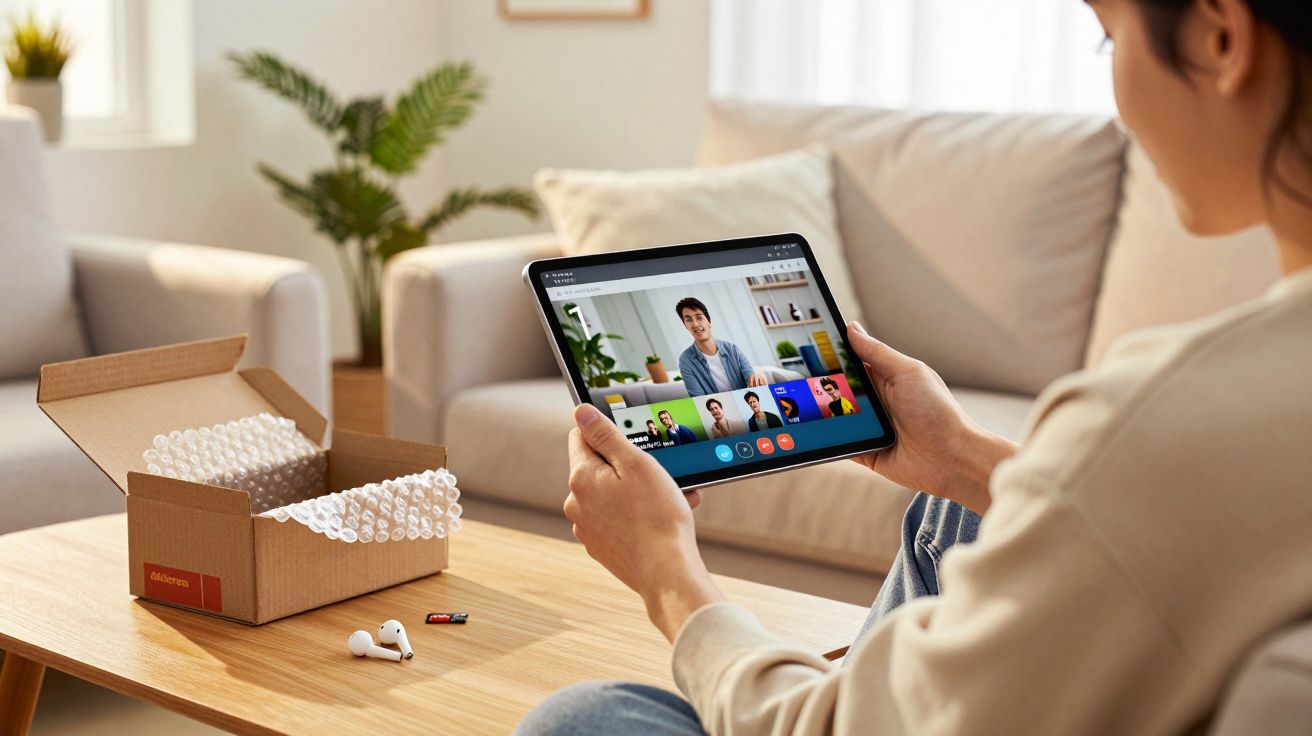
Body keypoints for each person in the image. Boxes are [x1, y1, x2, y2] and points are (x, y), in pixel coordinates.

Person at [518, 1, 1312, 734]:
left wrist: (666, 571)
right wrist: (960, 453)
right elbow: (1147, 529)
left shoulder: (1151, 423)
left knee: (586, 716)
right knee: (955, 508)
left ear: (1220, 39)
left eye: (1111, 36)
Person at [675, 297, 766, 397]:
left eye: (699, 317)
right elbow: (699, 399)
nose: (695, 324)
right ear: (685, 326)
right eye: (689, 320)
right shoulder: (686, 361)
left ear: (709, 321)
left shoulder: (732, 349)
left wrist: (755, 377)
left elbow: (750, 375)